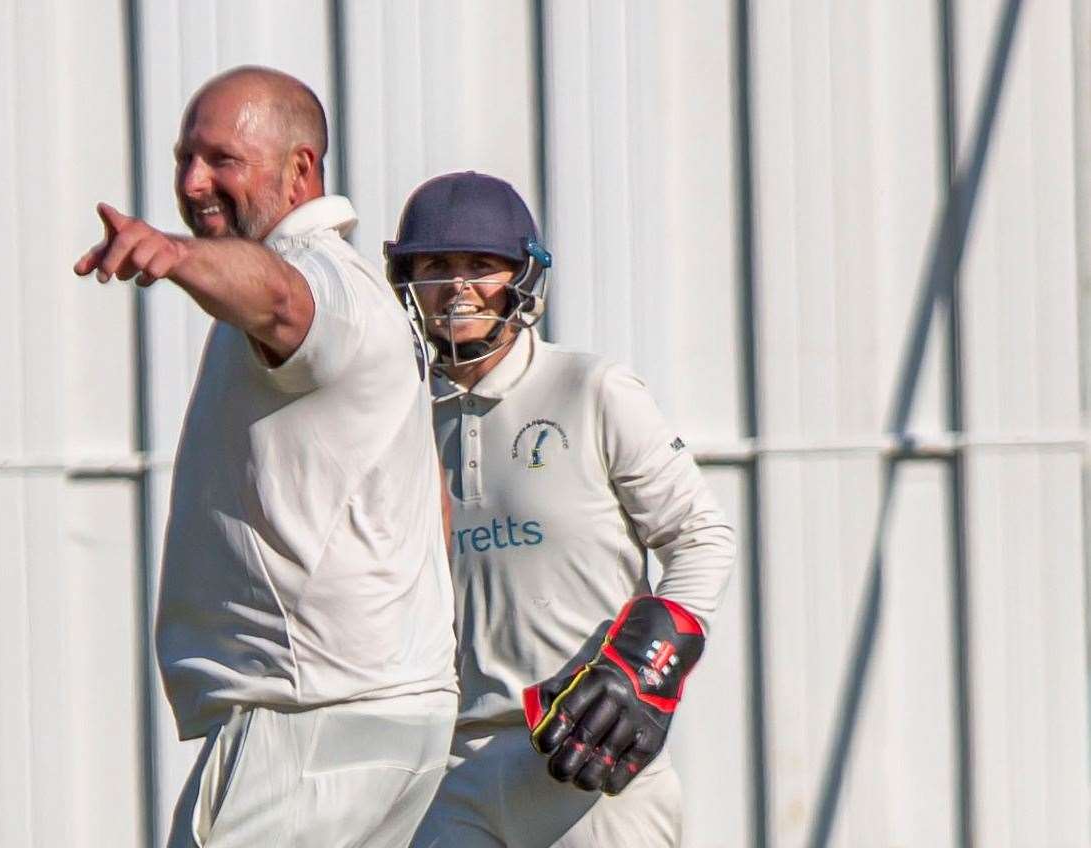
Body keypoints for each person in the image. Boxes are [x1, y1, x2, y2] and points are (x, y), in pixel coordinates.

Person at [73, 66, 458, 847]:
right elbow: (434, 506)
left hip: (311, 721)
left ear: (300, 171)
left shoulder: (324, 285)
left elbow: (279, 298)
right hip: (379, 710)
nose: (193, 180)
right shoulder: (361, 297)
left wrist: (176, 256)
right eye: (185, 156)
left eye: (222, 158)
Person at [384, 172, 736, 847]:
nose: (459, 287)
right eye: (436, 266)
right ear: (408, 283)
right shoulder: (397, 420)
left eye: (481, 265)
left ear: (522, 278)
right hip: (451, 772)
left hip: (590, 762)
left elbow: (700, 535)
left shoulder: (590, 388)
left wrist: (646, 667)